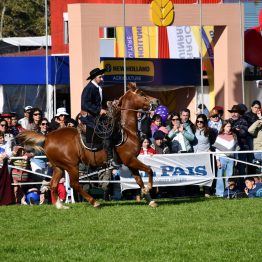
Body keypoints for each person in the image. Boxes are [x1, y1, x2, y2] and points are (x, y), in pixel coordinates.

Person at [80, 67, 119, 168]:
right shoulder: (89, 88)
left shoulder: (98, 87)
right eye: (100, 77)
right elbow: (85, 104)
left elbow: (103, 101)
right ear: (94, 78)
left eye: (102, 77)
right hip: (90, 118)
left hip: (98, 117)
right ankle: (110, 159)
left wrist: (110, 102)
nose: (102, 79)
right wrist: (98, 110)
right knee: (105, 132)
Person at [213, 120, 239, 197]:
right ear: (223, 127)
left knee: (229, 176)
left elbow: (235, 149)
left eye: (230, 126)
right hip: (222, 158)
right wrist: (217, 160)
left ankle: (228, 192)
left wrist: (236, 158)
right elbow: (217, 149)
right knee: (220, 176)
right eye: (227, 126)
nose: (229, 128)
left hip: (231, 158)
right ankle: (220, 193)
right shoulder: (219, 136)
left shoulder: (234, 136)